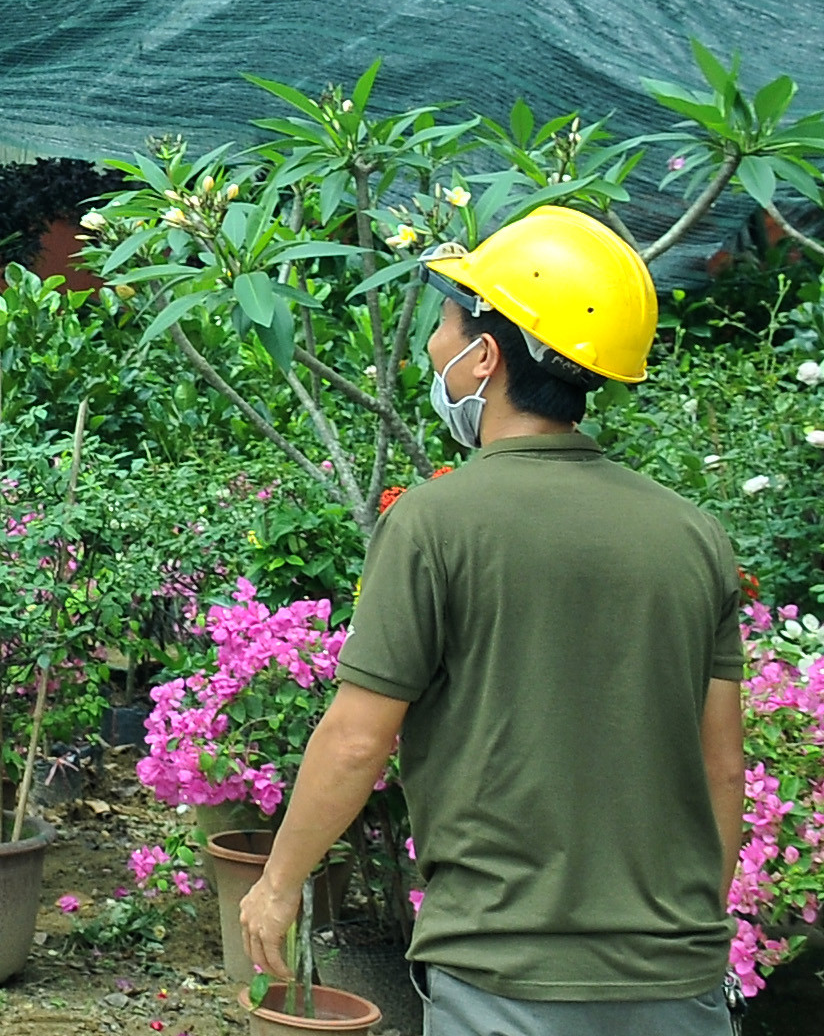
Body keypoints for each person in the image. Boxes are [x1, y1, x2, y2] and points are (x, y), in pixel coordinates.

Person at [241, 206, 742, 1035]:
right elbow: (723, 770)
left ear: (486, 355)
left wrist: (279, 880)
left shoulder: (436, 523)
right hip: (677, 979)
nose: (433, 346)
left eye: (445, 323)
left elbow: (359, 738)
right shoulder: (695, 535)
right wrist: (683, 941)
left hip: (504, 974)